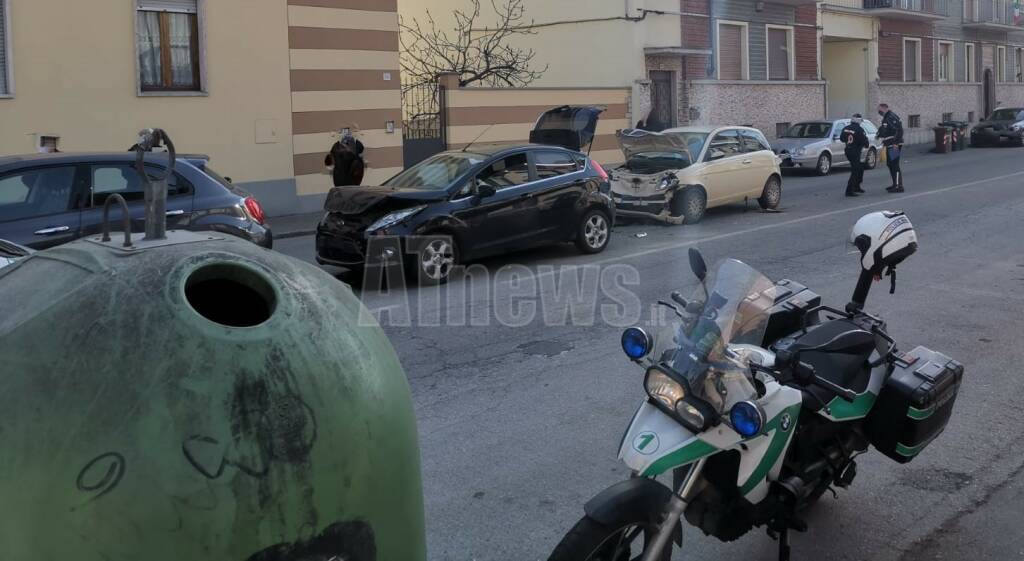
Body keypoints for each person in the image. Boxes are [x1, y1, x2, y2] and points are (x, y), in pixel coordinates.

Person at [876, 103, 904, 193]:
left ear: (885, 108)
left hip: (894, 145)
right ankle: (895, 184)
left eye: (879, 109)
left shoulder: (891, 117)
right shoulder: (886, 117)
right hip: (890, 144)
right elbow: (886, 130)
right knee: (890, 164)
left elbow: (899, 130)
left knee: (894, 165)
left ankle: (898, 186)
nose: (879, 112)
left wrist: (896, 142)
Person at [841, 114, 870, 197]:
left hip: (848, 151)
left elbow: (842, 138)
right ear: (858, 121)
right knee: (855, 170)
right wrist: (864, 143)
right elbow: (865, 142)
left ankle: (857, 186)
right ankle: (849, 190)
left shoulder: (845, 128)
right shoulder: (859, 129)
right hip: (855, 152)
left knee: (860, 168)